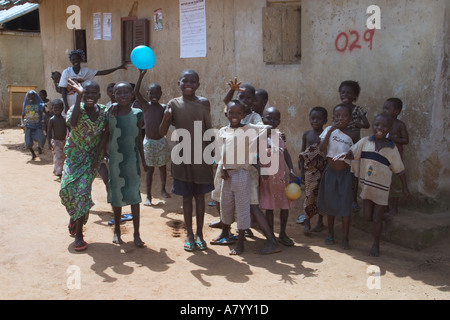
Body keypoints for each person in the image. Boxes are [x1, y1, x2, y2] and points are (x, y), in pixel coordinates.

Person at [335, 113, 410, 256]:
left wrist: (405, 187)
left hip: (381, 188)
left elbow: (399, 170)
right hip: (367, 186)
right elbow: (353, 153)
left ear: (389, 129)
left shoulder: (392, 149)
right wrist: (344, 155)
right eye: (376, 125)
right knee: (367, 216)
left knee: (376, 218)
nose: (379, 128)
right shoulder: (365, 142)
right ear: (373, 126)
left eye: (384, 126)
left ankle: (376, 245)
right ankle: (384, 218)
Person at [159, 69, 215, 252]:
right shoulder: (173, 104)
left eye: (193, 81)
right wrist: (166, 119)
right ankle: (189, 235)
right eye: (185, 80)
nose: (188, 84)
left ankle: (199, 233)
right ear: (179, 83)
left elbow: (209, 130)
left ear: (198, 84)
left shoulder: (204, 103)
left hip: (201, 158)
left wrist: (212, 155)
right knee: (186, 198)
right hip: (182, 157)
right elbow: (161, 132)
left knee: (200, 197)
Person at [211, 100, 276, 255]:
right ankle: (227, 233)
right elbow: (220, 152)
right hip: (227, 175)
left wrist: (253, 143)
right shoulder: (222, 131)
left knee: (242, 209)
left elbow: (268, 127)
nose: (235, 116)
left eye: (238, 113)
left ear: (243, 115)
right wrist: (222, 168)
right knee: (226, 206)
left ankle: (240, 243)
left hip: (241, 174)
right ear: (226, 114)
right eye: (231, 113)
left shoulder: (248, 129)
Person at [59, 79, 108, 251]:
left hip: (91, 158)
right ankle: (75, 215)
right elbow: (72, 124)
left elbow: (105, 135)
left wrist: (97, 158)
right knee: (65, 189)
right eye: (86, 92)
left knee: (82, 192)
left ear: (99, 95)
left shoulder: (103, 112)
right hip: (73, 156)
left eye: (93, 93)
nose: (89, 96)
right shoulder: (75, 109)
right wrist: (78, 96)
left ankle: (79, 234)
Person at [98, 81, 148, 247]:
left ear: (132, 94)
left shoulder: (138, 114)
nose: (122, 96)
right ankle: (117, 230)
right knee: (117, 197)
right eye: (118, 93)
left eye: (126, 92)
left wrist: (144, 160)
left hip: (132, 162)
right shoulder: (110, 113)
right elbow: (105, 135)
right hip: (115, 162)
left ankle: (137, 233)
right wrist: (100, 154)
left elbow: (139, 139)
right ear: (113, 96)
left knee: (135, 196)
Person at [318, 104, 354, 249]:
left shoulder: (353, 134)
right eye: (337, 116)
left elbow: (356, 154)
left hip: (346, 174)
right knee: (330, 204)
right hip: (330, 172)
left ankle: (345, 238)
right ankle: (330, 233)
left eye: (344, 116)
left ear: (350, 118)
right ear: (333, 118)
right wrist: (331, 131)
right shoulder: (329, 130)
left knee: (345, 206)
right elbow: (322, 148)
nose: (340, 118)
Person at [259, 107, 297, 246]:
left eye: (275, 119)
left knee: (284, 207)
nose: (272, 121)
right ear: (262, 119)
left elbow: (286, 154)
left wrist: (292, 169)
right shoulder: (259, 137)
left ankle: (283, 233)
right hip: (267, 179)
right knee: (269, 207)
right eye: (269, 118)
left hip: (281, 178)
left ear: (280, 121)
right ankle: (271, 234)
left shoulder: (279, 135)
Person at [135, 69, 171, 206]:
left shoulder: (163, 107)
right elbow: (136, 93)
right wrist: (140, 76)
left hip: (161, 142)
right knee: (149, 170)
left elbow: (167, 121)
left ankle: (163, 189)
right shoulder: (145, 105)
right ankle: (148, 196)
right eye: (151, 93)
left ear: (161, 94)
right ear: (148, 94)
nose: (154, 95)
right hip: (149, 143)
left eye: (157, 93)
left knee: (162, 167)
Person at [58, 49, 126, 115]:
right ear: (70, 60)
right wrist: (66, 105)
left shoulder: (86, 71)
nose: (75, 61)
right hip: (69, 100)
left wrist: (118, 67)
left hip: (81, 100)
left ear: (80, 60)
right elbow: (63, 90)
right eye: (73, 59)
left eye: (77, 59)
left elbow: (102, 72)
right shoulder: (66, 72)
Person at [339, 80, 371, 213]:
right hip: (341, 145)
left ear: (355, 96)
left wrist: (360, 124)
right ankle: (341, 197)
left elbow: (367, 124)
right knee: (341, 171)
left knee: (354, 173)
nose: (345, 95)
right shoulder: (339, 109)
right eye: (343, 92)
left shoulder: (358, 109)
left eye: (349, 93)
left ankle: (353, 200)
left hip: (355, 147)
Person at [298, 106, 328, 235]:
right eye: (313, 118)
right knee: (309, 197)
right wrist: (301, 172)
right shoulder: (307, 134)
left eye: (319, 119)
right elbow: (302, 153)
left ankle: (320, 221)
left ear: (325, 121)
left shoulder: (325, 136)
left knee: (321, 197)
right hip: (309, 171)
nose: (315, 121)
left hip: (323, 170)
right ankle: (307, 221)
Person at [383, 98, 409, 215]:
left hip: (396, 158)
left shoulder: (400, 124)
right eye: (384, 108)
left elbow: (406, 140)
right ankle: (385, 205)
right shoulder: (383, 123)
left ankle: (395, 206)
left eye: (387, 108)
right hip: (384, 158)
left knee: (395, 182)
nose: (384, 110)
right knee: (384, 181)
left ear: (397, 112)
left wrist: (393, 138)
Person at [21, 90, 46, 160]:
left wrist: (44, 120)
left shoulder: (39, 104)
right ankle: (33, 154)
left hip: (38, 127)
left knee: (42, 139)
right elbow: (22, 115)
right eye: (29, 96)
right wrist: (22, 123)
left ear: (36, 97)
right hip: (29, 127)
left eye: (32, 96)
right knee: (28, 144)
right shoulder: (26, 105)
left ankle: (39, 147)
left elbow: (45, 113)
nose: (30, 97)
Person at [47, 99, 67, 177]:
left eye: (59, 108)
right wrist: (49, 142)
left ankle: (58, 169)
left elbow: (69, 128)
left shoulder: (64, 119)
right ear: (52, 109)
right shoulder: (52, 120)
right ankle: (58, 172)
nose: (57, 110)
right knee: (58, 156)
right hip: (56, 141)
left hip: (64, 141)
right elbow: (49, 131)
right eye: (55, 108)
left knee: (63, 156)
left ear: (62, 109)